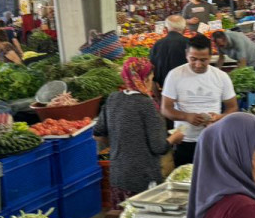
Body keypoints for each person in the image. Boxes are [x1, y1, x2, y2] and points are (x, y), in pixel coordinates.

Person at [95, 58, 183, 205]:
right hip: (143, 179)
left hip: (118, 175)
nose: (151, 84)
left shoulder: (113, 98)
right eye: (151, 79)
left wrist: (122, 145)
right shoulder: (147, 104)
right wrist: (175, 137)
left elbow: (98, 134)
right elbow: (159, 147)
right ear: (145, 79)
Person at [160, 35, 238, 167]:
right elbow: (165, 109)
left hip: (213, 139)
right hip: (185, 140)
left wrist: (219, 117)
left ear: (211, 56)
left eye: (204, 60)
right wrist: (186, 116)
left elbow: (233, 107)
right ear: (186, 54)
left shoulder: (221, 77)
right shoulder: (175, 75)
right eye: (193, 59)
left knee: (214, 178)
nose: (198, 64)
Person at [150, 15, 189, 88]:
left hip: (164, 88)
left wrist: (158, 97)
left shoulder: (157, 44)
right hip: (187, 87)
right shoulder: (190, 43)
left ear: (166, 29)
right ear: (185, 29)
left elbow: (152, 72)